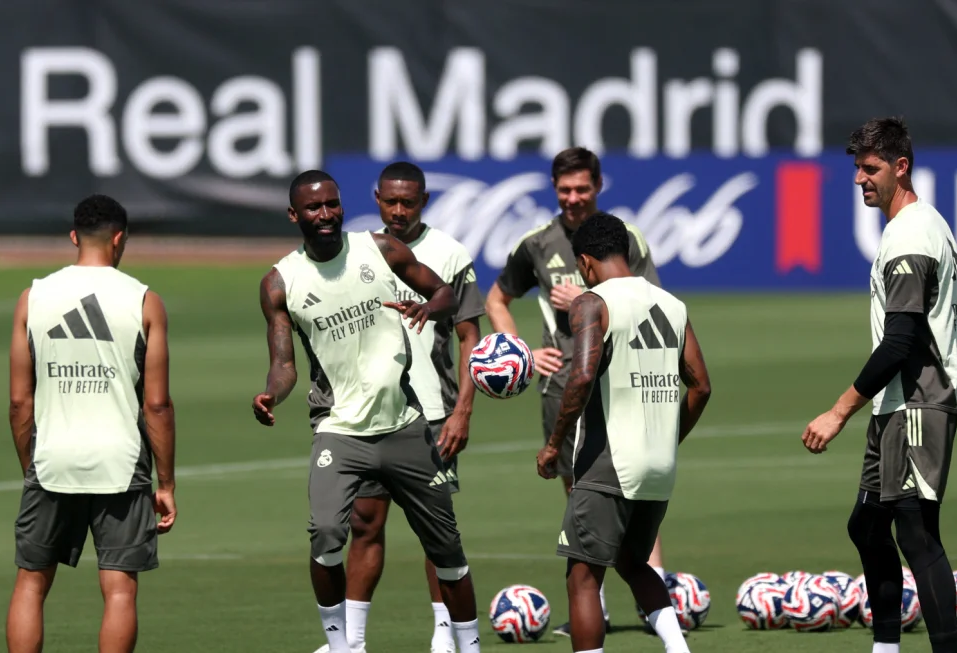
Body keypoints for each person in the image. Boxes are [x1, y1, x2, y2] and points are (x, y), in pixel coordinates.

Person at [801, 116, 957, 653]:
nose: (859, 179)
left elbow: (900, 341)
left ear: (901, 167)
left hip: (918, 402)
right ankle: (886, 647)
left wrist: (837, 411)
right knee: (868, 527)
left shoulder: (910, 235)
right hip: (901, 403)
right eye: (856, 168)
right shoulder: (930, 224)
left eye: (870, 168)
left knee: (918, 534)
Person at [253, 170, 483, 653]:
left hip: (405, 425)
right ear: (294, 215)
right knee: (329, 534)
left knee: (447, 552)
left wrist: (428, 308)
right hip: (340, 431)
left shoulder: (380, 249)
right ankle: (344, 647)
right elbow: (284, 367)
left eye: (332, 204)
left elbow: (445, 293)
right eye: (313, 208)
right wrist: (272, 394)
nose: (326, 215)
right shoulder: (279, 283)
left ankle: (468, 645)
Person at [485, 146, 669, 637]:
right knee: (578, 493)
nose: (572, 198)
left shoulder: (622, 240)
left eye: (582, 189)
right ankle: (601, 608)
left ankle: (657, 596)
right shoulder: (537, 244)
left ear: (598, 186)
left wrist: (588, 299)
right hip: (561, 383)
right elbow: (497, 297)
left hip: (620, 380)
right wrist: (522, 350)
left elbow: (653, 301)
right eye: (564, 190)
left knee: (632, 490)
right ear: (554, 189)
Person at [5, 194, 177, 653]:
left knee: (31, 584)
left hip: (52, 458)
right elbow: (156, 405)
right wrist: (167, 483)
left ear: (73, 237)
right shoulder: (145, 301)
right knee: (119, 589)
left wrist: (31, 464)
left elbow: (20, 401)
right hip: (119, 462)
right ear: (120, 239)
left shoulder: (33, 297)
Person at [537, 212, 711, 653]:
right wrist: (669, 441)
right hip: (658, 468)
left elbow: (579, 379)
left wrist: (554, 444)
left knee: (582, 576)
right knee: (634, 562)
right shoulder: (671, 303)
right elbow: (701, 386)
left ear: (585, 262)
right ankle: (679, 649)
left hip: (608, 463)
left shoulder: (592, 302)